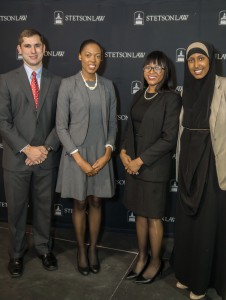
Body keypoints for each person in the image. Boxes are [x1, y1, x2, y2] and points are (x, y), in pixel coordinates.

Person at [174, 41, 226, 300]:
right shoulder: (186, 90)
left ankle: (201, 284)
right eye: (191, 60)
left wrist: (221, 154)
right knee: (187, 226)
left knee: (206, 227)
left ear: (211, 61)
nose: (196, 65)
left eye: (201, 59)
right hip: (187, 167)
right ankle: (185, 273)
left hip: (214, 169)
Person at [0, 29, 61, 277]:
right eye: (27, 46)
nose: (33, 51)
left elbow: (62, 122)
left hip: (46, 158)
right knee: (15, 211)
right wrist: (27, 149)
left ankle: (44, 249)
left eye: (37, 46)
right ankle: (16, 254)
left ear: (44, 49)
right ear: (19, 50)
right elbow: (3, 122)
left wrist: (44, 149)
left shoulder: (57, 82)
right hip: (17, 159)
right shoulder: (5, 80)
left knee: (45, 208)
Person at [56, 39, 117, 276]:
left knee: (96, 201)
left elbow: (112, 123)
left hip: (101, 154)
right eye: (88, 55)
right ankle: (81, 250)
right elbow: (61, 127)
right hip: (75, 155)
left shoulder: (108, 86)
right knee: (80, 203)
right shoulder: (67, 85)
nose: (93, 60)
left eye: (98, 56)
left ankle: (93, 250)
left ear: (102, 59)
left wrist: (108, 152)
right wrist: (79, 159)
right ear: (79, 56)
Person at [120, 51, 181, 284]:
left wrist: (140, 160)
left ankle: (156, 261)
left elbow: (169, 138)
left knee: (154, 217)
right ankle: (142, 255)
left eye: (157, 68)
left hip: (153, 168)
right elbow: (129, 128)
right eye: (148, 67)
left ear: (166, 73)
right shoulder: (138, 95)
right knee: (139, 214)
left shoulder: (172, 99)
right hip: (133, 166)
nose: (152, 72)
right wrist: (124, 153)